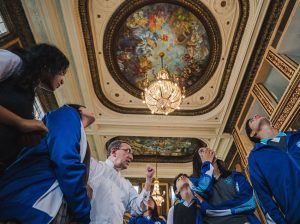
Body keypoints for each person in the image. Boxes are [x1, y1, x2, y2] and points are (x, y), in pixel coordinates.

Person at [0, 104, 95, 224]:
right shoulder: (68, 113)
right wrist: (83, 213)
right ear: (80, 110)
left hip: (37, 206)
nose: (93, 111)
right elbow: (65, 160)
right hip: (32, 204)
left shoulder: (77, 132)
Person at [0, 44, 69, 173]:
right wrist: (20, 122)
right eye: (62, 72)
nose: (62, 80)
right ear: (47, 65)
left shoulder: (28, 93)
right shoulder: (14, 61)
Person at [246, 114, 300, 223]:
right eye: (252, 120)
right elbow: (264, 197)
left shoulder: (296, 136)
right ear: (253, 134)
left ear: (270, 122)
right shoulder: (255, 157)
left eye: (256, 116)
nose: (256, 116)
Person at [88, 140, 155, 224]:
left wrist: (148, 180)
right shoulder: (94, 167)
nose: (131, 157)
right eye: (128, 151)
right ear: (114, 151)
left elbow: (139, 209)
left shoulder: (126, 185)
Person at [192, 148, 260, 224]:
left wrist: (210, 209)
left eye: (207, 148)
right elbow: (200, 196)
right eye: (201, 151)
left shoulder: (235, 176)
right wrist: (207, 164)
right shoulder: (197, 187)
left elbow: (249, 203)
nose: (207, 150)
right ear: (199, 162)